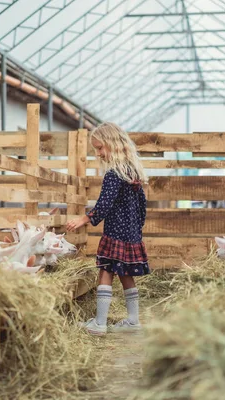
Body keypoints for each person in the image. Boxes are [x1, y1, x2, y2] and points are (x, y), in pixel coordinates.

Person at [66, 122, 149, 336]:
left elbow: (104, 204)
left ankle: (100, 323)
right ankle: (133, 320)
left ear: (113, 144)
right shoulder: (133, 174)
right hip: (131, 234)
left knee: (106, 270)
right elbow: (142, 205)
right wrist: (137, 229)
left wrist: (85, 218)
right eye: (96, 149)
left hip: (115, 233)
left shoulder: (113, 174)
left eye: (100, 147)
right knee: (126, 274)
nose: (99, 153)